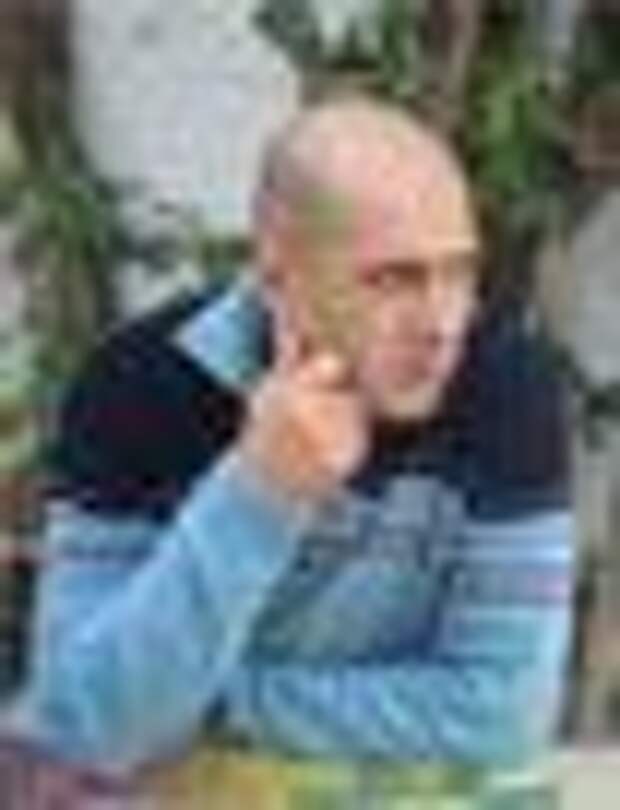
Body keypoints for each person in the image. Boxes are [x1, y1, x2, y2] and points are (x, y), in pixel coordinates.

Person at [14, 97, 574, 793]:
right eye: (393, 279)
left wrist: (205, 700)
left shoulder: (509, 387)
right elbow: (82, 727)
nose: (441, 324)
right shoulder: (139, 385)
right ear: (280, 281)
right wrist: (259, 494)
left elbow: (501, 714)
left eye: (459, 273)